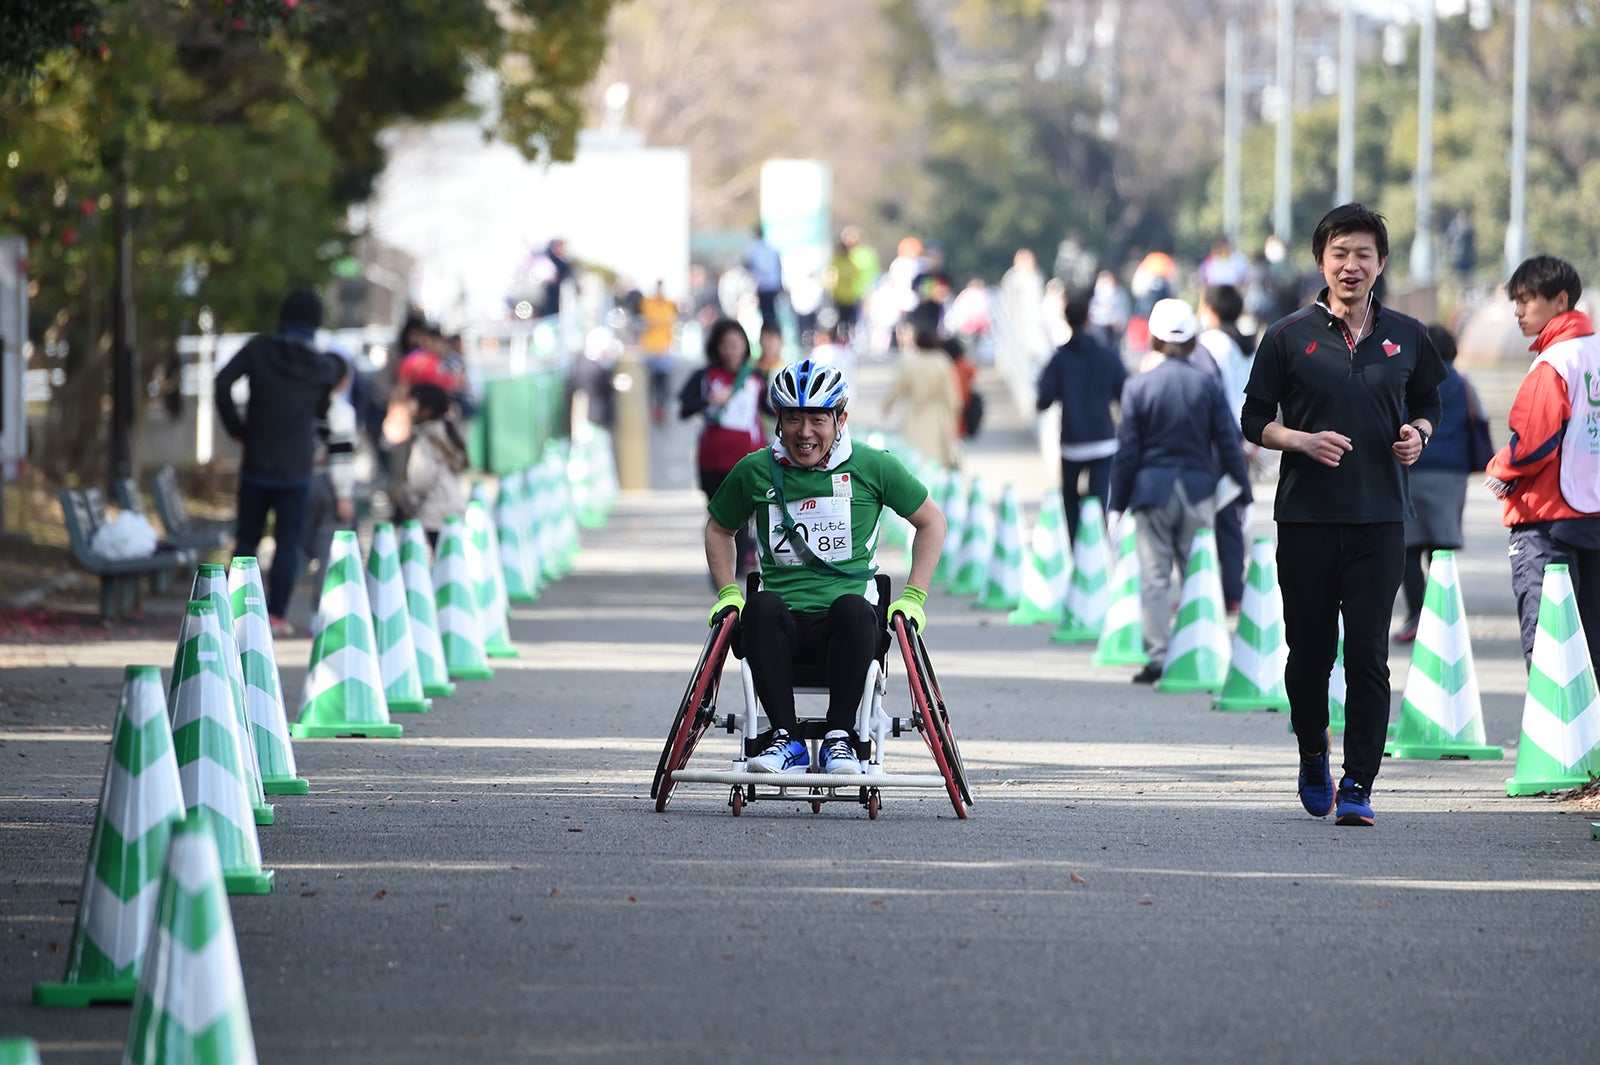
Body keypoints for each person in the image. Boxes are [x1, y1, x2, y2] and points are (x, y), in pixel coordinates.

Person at [1240, 203, 1446, 828]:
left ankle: (1358, 783)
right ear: (1321, 261)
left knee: (1368, 656)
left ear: (1381, 263)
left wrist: (1418, 432)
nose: (1351, 265)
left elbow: (1429, 399)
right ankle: (1312, 754)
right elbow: (1253, 420)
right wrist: (1300, 440)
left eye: (1363, 254)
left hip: (1380, 519)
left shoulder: (1408, 334)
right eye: (1340, 253)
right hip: (1305, 520)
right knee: (1309, 656)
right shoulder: (1286, 335)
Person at [703, 360, 947, 774]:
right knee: (759, 606)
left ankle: (841, 739)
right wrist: (727, 590)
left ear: (840, 419)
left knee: (852, 608)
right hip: (781, 628)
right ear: (777, 420)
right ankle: (787, 739)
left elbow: (931, 522)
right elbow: (718, 529)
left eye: (818, 418)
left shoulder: (873, 466)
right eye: (793, 418)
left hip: (849, 630)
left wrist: (914, 597)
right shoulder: (754, 470)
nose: (805, 432)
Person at [1109, 298, 1252, 685]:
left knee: (1154, 579)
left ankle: (1157, 657)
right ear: (1192, 340)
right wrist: (1244, 491)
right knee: (1198, 574)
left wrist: (1115, 505)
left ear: (1154, 339)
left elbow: (1127, 453)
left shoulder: (1138, 386)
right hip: (1197, 491)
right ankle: (1202, 650)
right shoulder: (1205, 383)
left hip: (1150, 492)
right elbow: (1227, 440)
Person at [1484, 255, 1600, 673]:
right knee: (1592, 645)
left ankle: (1555, 740)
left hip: (1546, 519)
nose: (1518, 311)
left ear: (1561, 300)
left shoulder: (1555, 362)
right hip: (1592, 516)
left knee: (1550, 641)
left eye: (1527, 300)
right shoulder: (1595, 352)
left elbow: (1535, 443)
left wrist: (1500, 469)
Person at [214, 287, 346, 634]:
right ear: (315, 325)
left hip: (257, 458)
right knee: (288, 541)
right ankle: (275, 615)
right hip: (296, 468)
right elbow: (324, 402)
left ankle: (237, 610)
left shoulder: (259, 350)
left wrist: (236, 427)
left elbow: (222, 380)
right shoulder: (320, 367)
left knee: (247, 539)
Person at [1395, 324, 1475, 643]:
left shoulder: (1410, 377)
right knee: (1441, 549)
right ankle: (1444, 620)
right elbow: (1477, 420)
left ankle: (1417, 615)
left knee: (1409, 549)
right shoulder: (1463, 383)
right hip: (1452, 474)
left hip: (1412, 469)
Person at [1036, 287, 1127, 545]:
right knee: (1100, 498)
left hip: (1072, 441)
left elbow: (1043, 400)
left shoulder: (1059, 359)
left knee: (1070, 497)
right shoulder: (1109, 356)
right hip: (1103, 439)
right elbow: (1125, 394)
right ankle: (1097, 548)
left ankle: (1075, 547)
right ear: (1089, 319)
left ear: (1067, 320)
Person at [679, 320, 768, 575]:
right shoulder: (705, 376)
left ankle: (742, 562)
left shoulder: (755, 378)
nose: (731, 351)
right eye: (726, 345)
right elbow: (685, 409)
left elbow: (772, 409)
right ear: (717, 347)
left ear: (745, 347)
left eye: (736, 345)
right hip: (713, 460)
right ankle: (723, 566)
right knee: (721, 514)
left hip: (749, 458)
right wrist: (708, 400)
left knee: (749, 512)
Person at [1196, 284, 1254, 610]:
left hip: (1220, 441)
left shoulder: (1208, 344)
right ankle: (1233, 589)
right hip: (1247, 438)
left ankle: (1219, 589)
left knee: (1213, 517)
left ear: (1211, 311)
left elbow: (1210, 396)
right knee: (1232, 515)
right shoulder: (1247, 344)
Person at [301, 359, 358, 616]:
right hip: (328, 485)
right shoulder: (342, 411)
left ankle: (274, 609)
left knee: (297, 547)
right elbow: (341, 458)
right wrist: (344, 495)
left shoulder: (302, 404)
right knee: (329, 549)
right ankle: (322, 614)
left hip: (300, 482)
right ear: (343, 380)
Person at [388, 383, 469, 550]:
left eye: (412, 403)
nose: (408, 408)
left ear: (427, 410)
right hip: (452, 511)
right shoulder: (446, 434)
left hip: (433, 514)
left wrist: (403, 498)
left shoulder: (426, 441)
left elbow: (419, 481)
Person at [883, 325, 962, 470]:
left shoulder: (910, 362)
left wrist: (887, 407)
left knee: (914, 456)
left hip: (914, 414)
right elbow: (951, 394)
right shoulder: (942, 362)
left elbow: (897, 388)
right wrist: (954, 412)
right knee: (937, 457)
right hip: (937, 414)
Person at [637, 280, 678, 424]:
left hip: (664, 348)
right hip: (650, 348)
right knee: (652, 382)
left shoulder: (669, 304)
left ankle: (662, 408)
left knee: (664, 383)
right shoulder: (648, 303)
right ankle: (653, 408)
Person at [744, 225, 785, 334]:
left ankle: (769, 333)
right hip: (773, 284)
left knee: (766, 314)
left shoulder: (753, 249)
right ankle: (773, 332)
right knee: (772, 313)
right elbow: (779, 266)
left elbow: (748, 265)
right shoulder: (771, 247)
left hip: (761, 285)